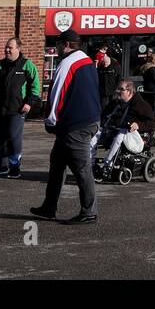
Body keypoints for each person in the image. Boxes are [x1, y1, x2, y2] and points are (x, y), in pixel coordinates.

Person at [31, 31, 101, 225]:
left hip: (74, 125)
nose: (57, 47)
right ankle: (49, 207)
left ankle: (89, 211)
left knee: (82, 169)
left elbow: (57, 93)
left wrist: (50, 121)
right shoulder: (87, 61)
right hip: (88, 120)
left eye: (59, 43)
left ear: (67, 44)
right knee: (57, 164)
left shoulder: (67, 63)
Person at [0, 37, 40, 179]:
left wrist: (29, 103)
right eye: (6, 47)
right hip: (0, 108)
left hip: (17, 109)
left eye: (10, 47)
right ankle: (2, 166)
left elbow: (35, 87)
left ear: (18, 49)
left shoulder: (27, 66)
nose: (7, 50)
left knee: (13, 138)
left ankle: (14, 167)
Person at [94, 80, 155, 171]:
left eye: (121, 89)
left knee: (120, 134)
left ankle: (107, 165)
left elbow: (152, 123)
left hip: (129, 133)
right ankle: (89, 164)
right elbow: (103, 116)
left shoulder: (140, 104)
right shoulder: (115, 103)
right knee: (94, 134)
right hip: (112, 129)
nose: (117, 91)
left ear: (130, 92)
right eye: (117, 89)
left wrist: (138, 125)